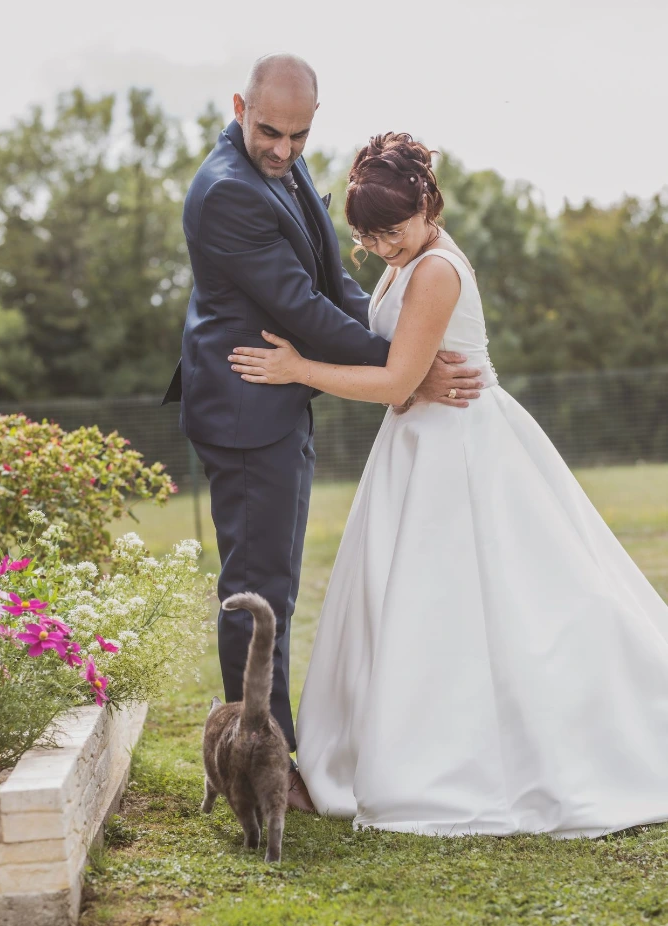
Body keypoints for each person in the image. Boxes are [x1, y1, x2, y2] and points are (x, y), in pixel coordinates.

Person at [227, 132, 668, 837]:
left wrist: (296, 369)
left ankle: (462, 761)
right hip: (415, 445)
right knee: (405, 605)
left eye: (392, 231)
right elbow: (403, 371)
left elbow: (398, 380)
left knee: (477, 605)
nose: (380, 247)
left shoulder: (434, 270)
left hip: (462, 448)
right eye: (367, 236)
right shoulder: (407, 258)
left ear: (426, 204)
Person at [162, 58, 482, 811]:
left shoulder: (288, 169)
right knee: (257, 589)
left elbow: (332, 277)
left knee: (273, 581)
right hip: (246, 409)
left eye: (299, 134)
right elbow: (301, 308)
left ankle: (271, 753)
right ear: (240, 106)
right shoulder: (226, 193)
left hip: (277, 400)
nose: (283, 148)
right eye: (269, 130)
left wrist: (404, 355)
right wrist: (410, 371)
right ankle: (259, 767)